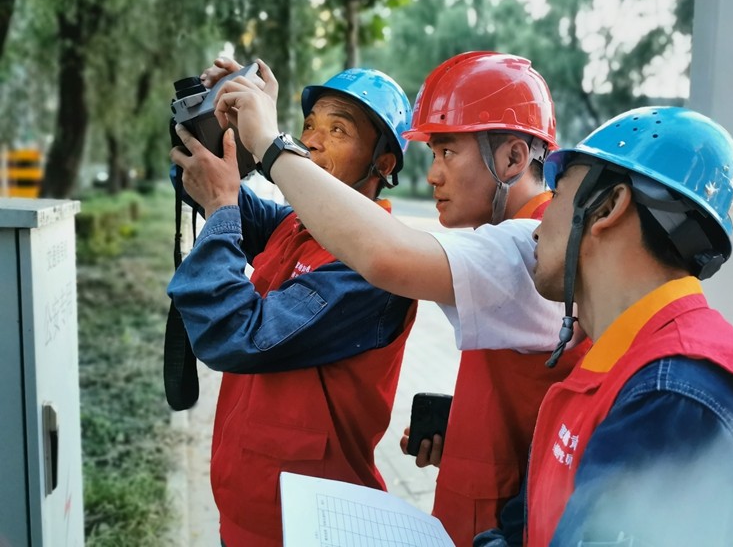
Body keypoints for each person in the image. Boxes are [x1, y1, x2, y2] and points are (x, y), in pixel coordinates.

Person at [209, 52, 588, 545]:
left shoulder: (529, 246)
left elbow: (383, 255)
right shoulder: (519, 241)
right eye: (432, 154)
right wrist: (474, 425)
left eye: (447, 152)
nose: (432, 175)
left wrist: (267, 144)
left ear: (514, 159)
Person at [479, 106, 733, 546]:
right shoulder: (636, 370)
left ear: (608, 205)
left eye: (556, 195)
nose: (536, 231)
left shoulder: (674, 402)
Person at [167, 64, 418, 546]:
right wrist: (218, 122)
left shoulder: (379, 264)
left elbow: (239, 335)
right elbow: (205, 183)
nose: (314, 140)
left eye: (338, 129)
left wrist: (222, 209)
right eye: (309, 126)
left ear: (384, 164)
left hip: (314, 525)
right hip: (245, 507)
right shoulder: (295, 224)